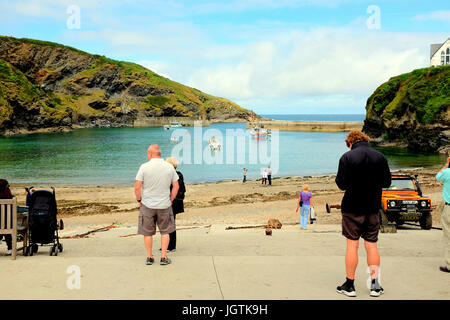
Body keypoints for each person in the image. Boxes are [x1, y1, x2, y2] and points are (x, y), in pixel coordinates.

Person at [335, 130, 391, 297]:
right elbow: (387, 182)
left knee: (352, 245)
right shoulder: (380, 157)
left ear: (350, 143)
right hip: (373, 207)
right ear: (366, 140)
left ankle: (349, 285)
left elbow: (342, 184)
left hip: (352, 207)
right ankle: (375, 285)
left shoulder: (347, 157)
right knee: (371, 245)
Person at [135, 145, 179, 266]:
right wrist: (171, 199)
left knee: (147, 232)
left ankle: (149, 257)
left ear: (150, 153)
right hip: (164, 204)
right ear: (159, 154)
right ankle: (163, 257)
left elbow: (137, 186)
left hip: (147, 204)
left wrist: (139, 199)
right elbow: (176, 186)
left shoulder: (144, 167)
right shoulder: (169, 167)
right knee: (165, 231)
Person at [165, 157, 186, 252]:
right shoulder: (178, 175)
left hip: (172, 203)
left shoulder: (173, 175)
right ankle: (169, 244)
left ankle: (171, 245)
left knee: (170, 223)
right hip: (174, 203)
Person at [435, 157, 450, 273]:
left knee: (448, 236)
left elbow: (438, 177)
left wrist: (446, 164)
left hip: (449, 208)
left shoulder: (447, 172)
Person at [0, 179, 13, 255]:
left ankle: (0, 237)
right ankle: (10, 248)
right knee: (7, 225)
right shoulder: (10, 197)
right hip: (8, 225)